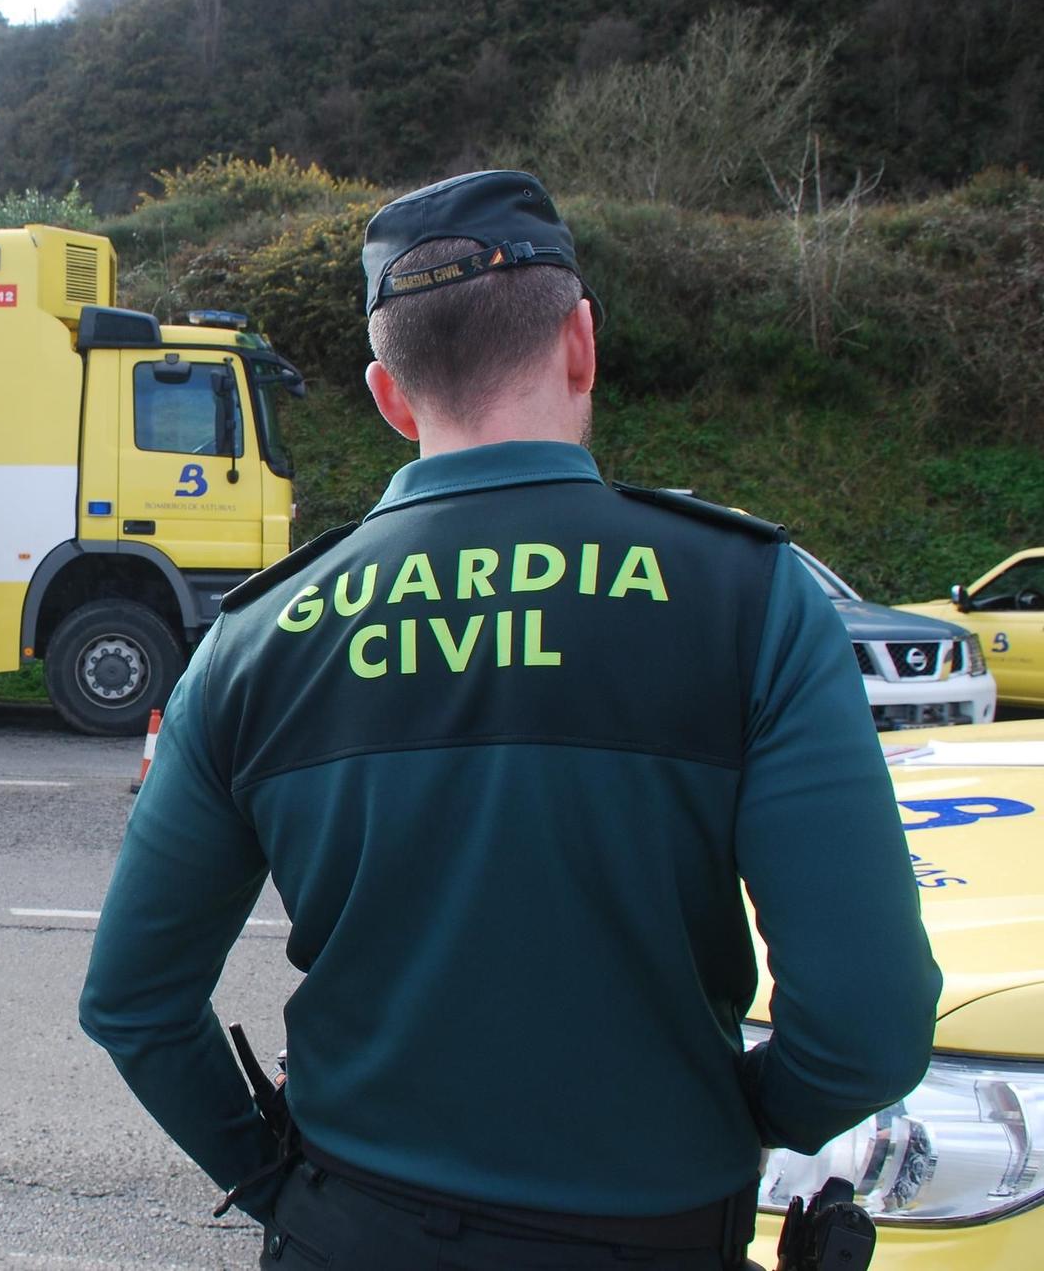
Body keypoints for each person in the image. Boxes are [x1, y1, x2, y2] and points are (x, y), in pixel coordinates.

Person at [78, 170, 940, 1269]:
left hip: (351, 1231)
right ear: (579, 342)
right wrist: (736, 1112)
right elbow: (870, 1021)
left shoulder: (254, 639)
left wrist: (278, 1178)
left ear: (389, 396)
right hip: (655, 1229)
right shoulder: (746, 599)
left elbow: (133, 1004)